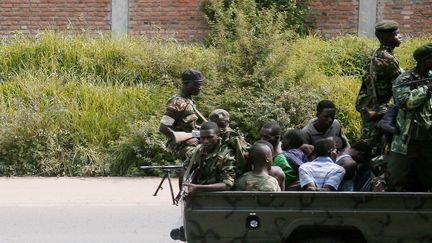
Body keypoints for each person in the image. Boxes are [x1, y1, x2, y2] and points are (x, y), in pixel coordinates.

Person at [170, 121, 236, 241]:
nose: (205, 141)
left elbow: (227, 184)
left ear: (218, 135)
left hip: (221, 198)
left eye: (210, 137)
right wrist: (183, 188)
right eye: (202, 138)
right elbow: (186, 169)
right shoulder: (199, 151)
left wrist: (198, 188)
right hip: (201, 195)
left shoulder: (226, 154)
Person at [387, 43, 432, 192]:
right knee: (396, 179)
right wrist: (426, 88)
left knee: (427, 180)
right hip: (406, 140)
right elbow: (406, 102)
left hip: (428, 138)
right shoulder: (405, 79)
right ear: (425, 60)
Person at [355, 20, 403, 157]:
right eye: (396, 34)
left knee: (369, 143)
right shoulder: (388, 58)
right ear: (386, 38)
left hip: (367, 103)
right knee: (370, 148)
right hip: (376, 108)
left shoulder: (376, 52)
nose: (400, 36)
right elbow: (401, 82)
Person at [159, 69, 206, 162]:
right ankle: (183, 173)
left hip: (192, 141)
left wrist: (202, 131)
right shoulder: (177, 103)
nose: (199, 87)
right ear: (186, 84)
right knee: (203, 156)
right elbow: (163, 127)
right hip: (181, 146)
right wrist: (178, 139)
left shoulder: (189, 102)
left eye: (200, 84)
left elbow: (187, 126)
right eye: (196, 84)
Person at [208, 109, 250, 174]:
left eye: (222, 126)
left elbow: (242, 164)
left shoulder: (235, 139)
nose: (220, 129)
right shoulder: (206, 135)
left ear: (228, 123)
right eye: (215, 126)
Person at [260, 121, 297, 190]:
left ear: (277, 138)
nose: (262, 140)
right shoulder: (263, 152)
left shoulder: (281, 160)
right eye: (261, 136)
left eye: (266, 137)